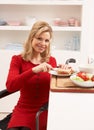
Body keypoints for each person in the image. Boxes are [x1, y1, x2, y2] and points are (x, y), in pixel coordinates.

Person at [5, 21, 57, 130]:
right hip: (22, 110)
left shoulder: (51, 61)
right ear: (31, 38)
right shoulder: (17, 60)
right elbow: (11, 86)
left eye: (46, 40)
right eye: (39, 38)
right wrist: (33, 70)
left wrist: (63, 72)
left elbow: (56, 86)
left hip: (43, 111)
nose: (43, 43)